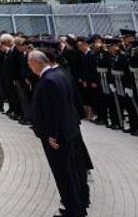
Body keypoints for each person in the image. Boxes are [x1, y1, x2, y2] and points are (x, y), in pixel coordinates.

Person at [28, 48, 89, 217]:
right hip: (69, 130)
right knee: (73, 171)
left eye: (30, 64)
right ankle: (79, 204)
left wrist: (51, 134)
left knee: (64, 174)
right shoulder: (60, 74)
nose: (29, 67)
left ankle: (73, 210)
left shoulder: (48, 80)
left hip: (58, 136)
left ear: (37, 63)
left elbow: (53, 111)